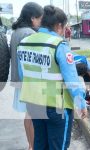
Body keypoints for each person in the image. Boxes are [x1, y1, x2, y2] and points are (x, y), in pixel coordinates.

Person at [17, 5, 87, 149]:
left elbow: (23, 74)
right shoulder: (59, 45)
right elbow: (72, 80)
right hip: (57, 107)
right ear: (59, 26)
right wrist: (81, 102)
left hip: (34, 103)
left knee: (40, 144)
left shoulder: (24, 43)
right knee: (57, 146)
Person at [10, 2, 43, 150]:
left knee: (28, 114)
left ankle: (30, 145)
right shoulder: (29, 34)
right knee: (32, 116)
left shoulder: (16, 32)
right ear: (32, 18)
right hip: (29, 81)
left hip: (19, 79)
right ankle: (33, 146)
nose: (41, 22)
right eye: (40, 19)